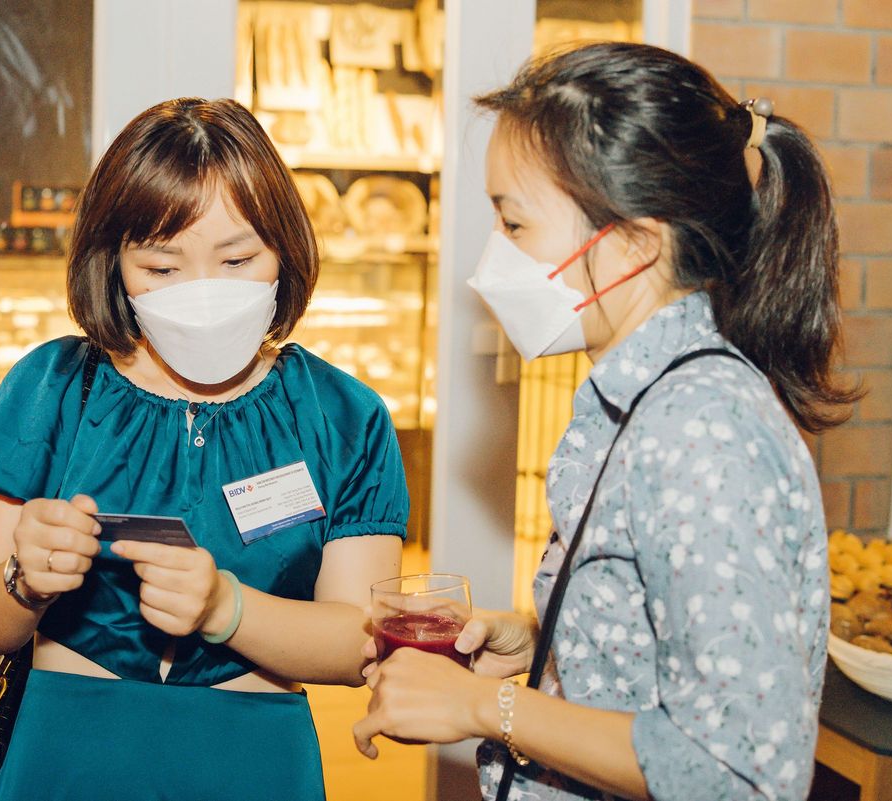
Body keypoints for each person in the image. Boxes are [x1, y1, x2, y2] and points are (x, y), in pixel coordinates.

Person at [353, 42, 859, 801]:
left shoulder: (703, 429)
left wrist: (485, 706)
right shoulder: (646, 397)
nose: (493, 259)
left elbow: (738, 771)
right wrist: (544, 644)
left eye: (515, 224)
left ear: (630, 245)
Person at [0, 97, 408, 801]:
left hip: (254, 760)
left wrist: (226, 607)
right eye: (162, 268)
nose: (203, 294)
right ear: (114, 264)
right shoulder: (53, 387)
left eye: (237, 259)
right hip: (68, 752)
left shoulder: (342, 416)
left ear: (284, 250)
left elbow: (358, 644)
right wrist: (22, 580)